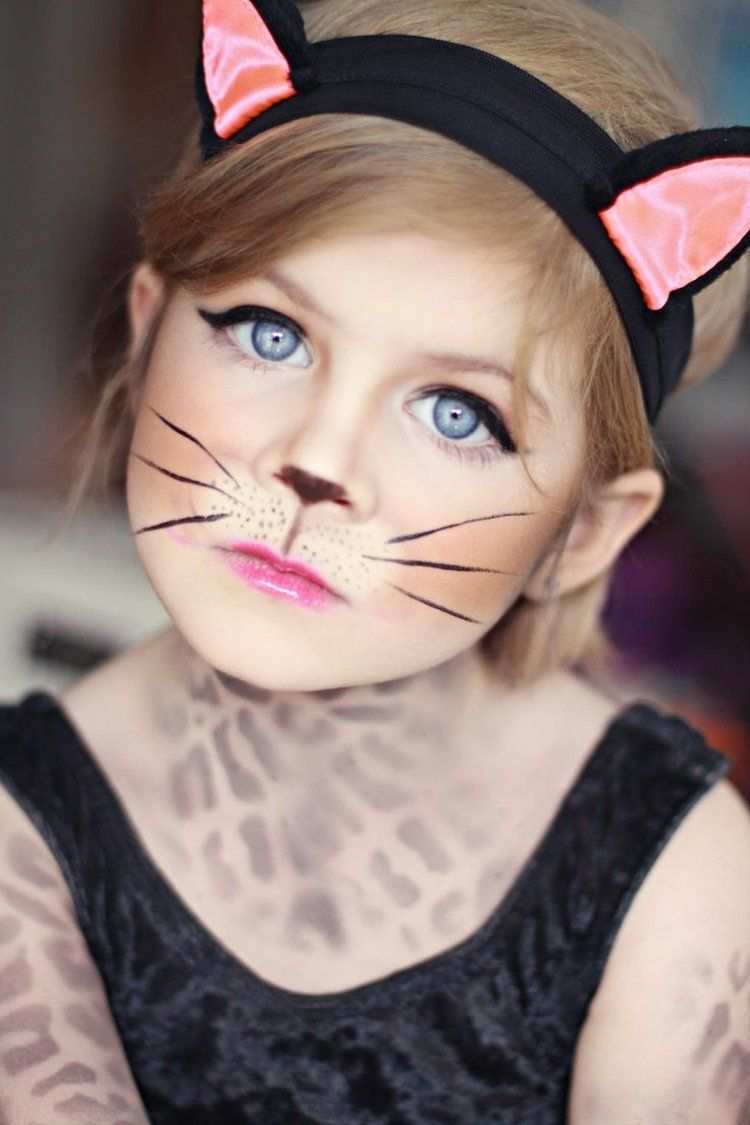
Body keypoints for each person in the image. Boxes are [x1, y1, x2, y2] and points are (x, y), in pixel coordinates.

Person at [1, 0, 749, 1121]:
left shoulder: (676, 873)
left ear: (582, 533)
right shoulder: (19, 830)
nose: (318, 463)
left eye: (457, 413)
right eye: (271, 334)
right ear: (148, 334)